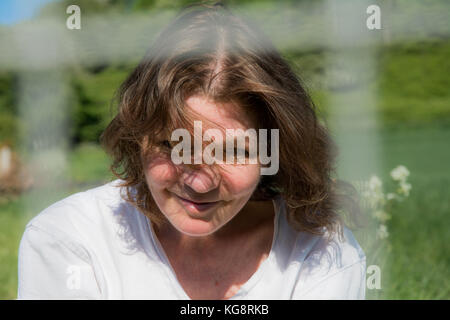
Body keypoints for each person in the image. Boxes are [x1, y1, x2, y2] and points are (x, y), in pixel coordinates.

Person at [17, 2, 366, 300]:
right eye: (171, 145)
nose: (199, 184)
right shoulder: (69, 240)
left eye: (232, 152)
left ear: (275, 150)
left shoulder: (320, 252)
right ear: (137, 137)